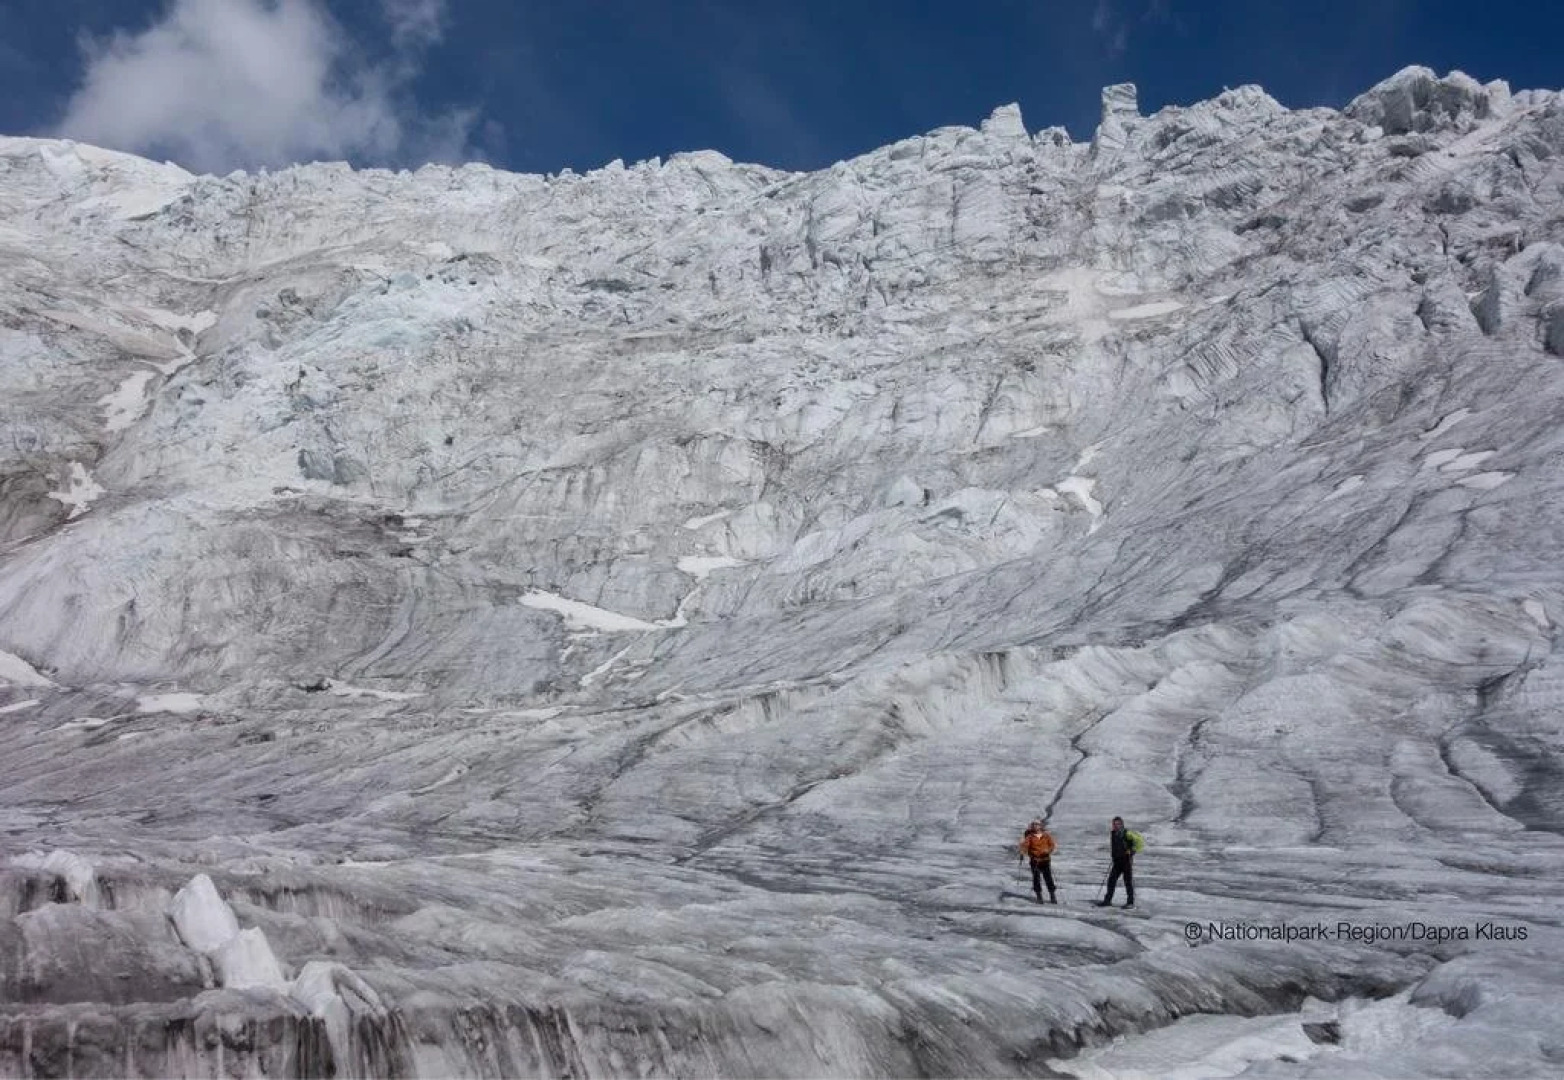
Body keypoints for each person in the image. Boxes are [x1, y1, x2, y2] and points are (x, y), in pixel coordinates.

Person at [1095, 816, 1134, 908]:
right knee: (1111, 881)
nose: (1116, 826)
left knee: (1127, 882)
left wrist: (1131, 852)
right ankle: (1107, 900)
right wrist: (1113, 856)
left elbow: (1134, 845)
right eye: (1114, 824)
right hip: (1117, 861)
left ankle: (1130, 902)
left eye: (1118, 824)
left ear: (1121, 824)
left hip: (1126, 860)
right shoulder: (1113, 833)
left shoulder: (1127, 833)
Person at [1018, 819, 1057, 904]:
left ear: (1040, 826)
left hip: (1045, 860)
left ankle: (1052, 895)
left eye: (1037, 824)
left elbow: (1052, 845)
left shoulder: (1046, 836)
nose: (1036, 826)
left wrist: (1048, 851)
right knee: (1036, 878)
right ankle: (1039, 896)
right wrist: (1022, 852)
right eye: (1034, 825)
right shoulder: (1030, 837)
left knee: (1048, 878)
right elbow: (1025, 846)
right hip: (1035, 860)